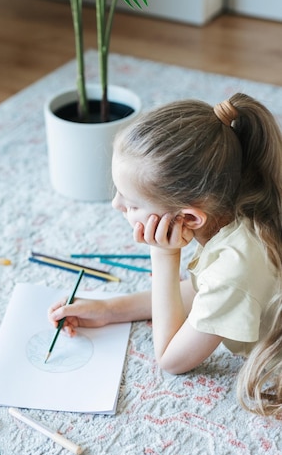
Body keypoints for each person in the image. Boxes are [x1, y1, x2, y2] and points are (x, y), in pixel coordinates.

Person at [48, 93, 282, 417]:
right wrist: (109, 309)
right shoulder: (243, 192)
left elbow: (172, 358)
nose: (116, 205)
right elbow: (203, 294)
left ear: (188, 219)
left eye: (131, 204)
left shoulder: (234, 270)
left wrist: (163, 256)